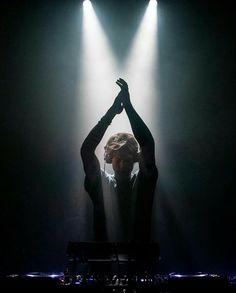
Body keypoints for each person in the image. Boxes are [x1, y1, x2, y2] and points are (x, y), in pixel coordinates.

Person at [81, 78, 158, 243]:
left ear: (135, 160)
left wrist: (128, 107)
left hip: (139, 261)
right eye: (119, 158)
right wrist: (111, 112)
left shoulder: (143, 181)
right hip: (102, 263)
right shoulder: (99, 182)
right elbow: (86, 150)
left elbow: (147, 144)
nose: (123, 164)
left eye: (128, 159)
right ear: (109, 158)